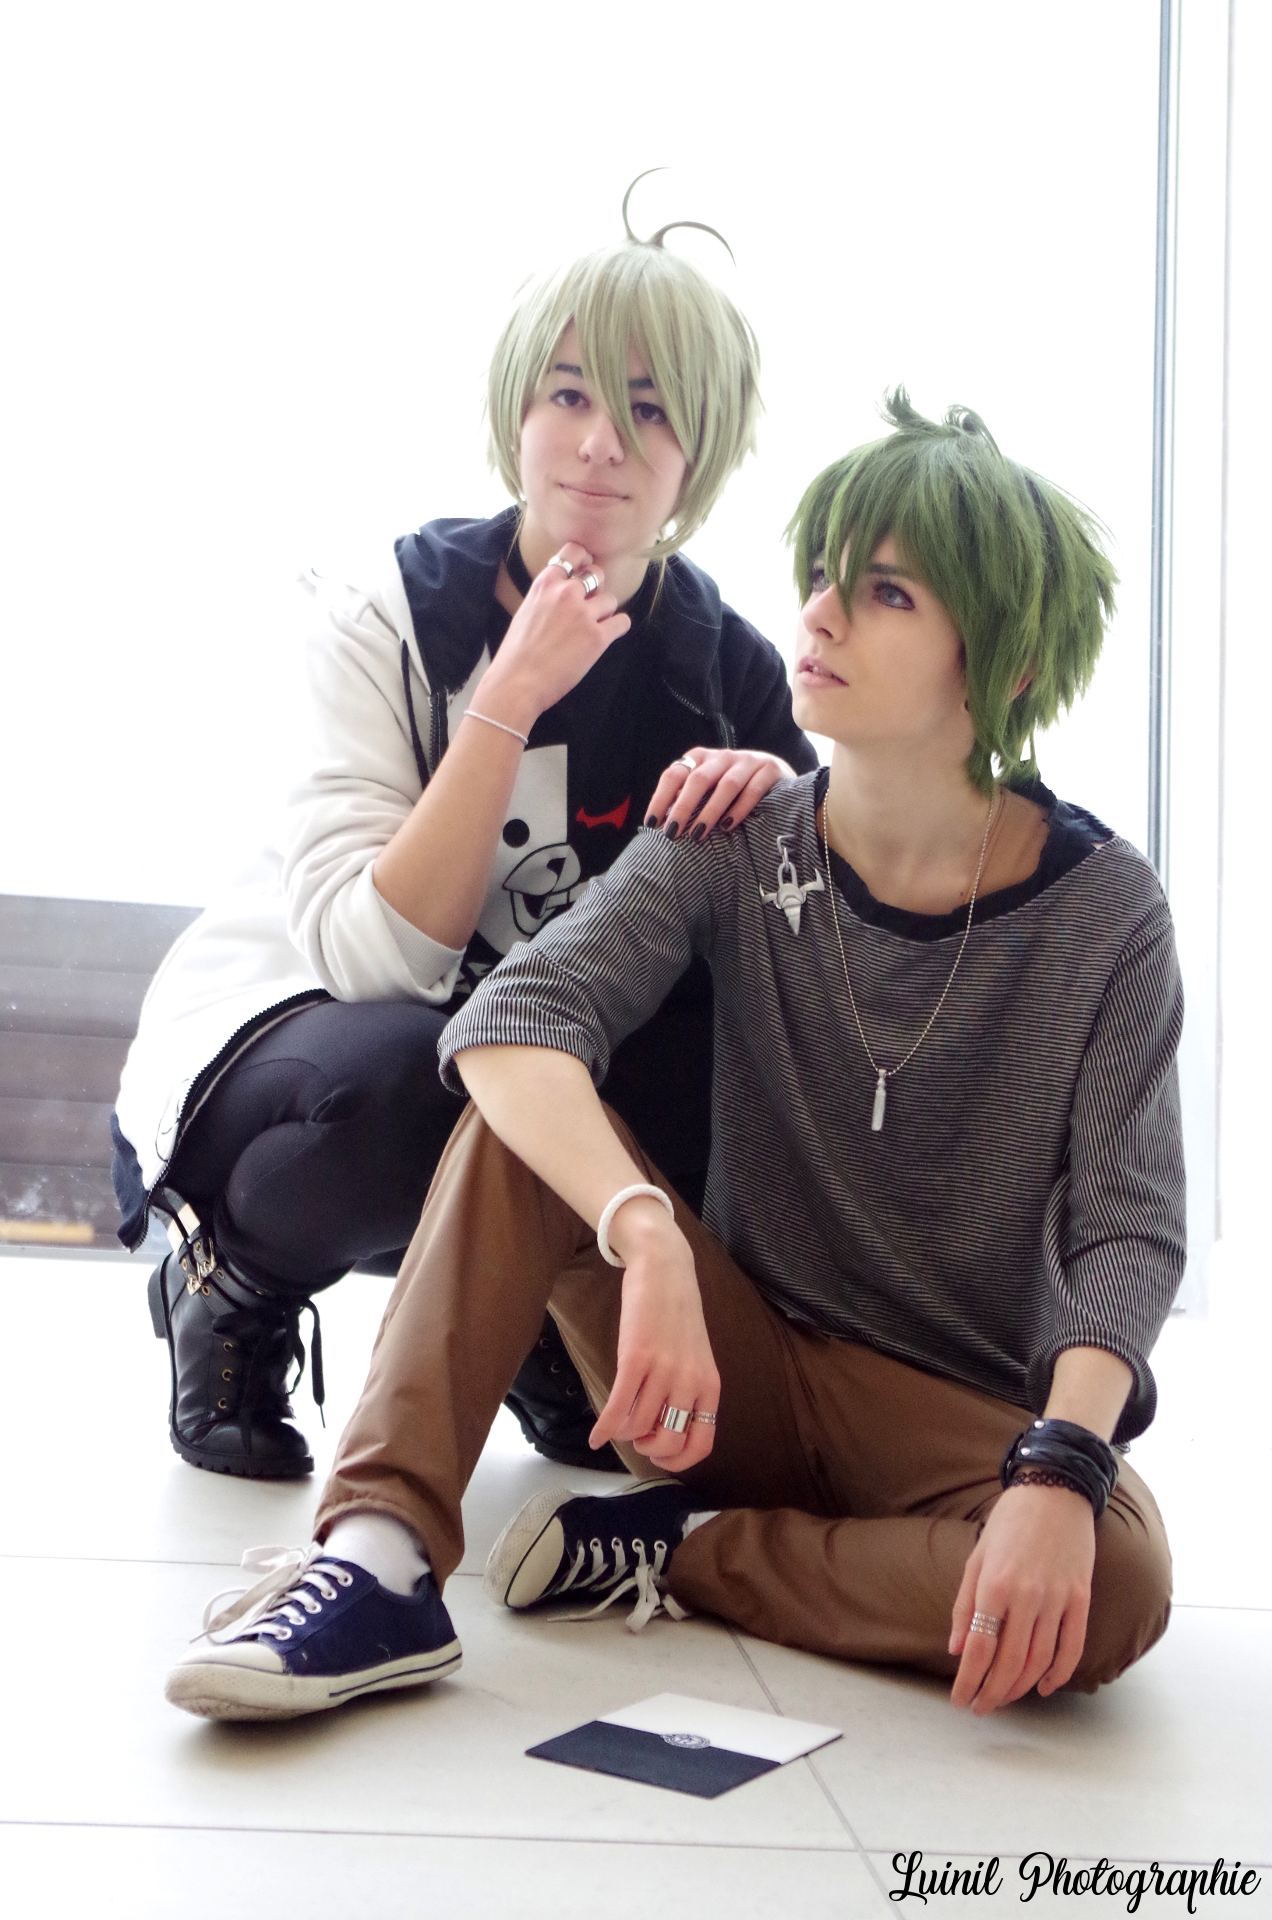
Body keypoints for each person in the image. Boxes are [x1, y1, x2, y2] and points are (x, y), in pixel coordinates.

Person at [164, 394, 1183, 1723]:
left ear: (1008, 664)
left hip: (947, 1414)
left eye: (884, 593)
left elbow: (1129, 1228)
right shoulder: (735, 833)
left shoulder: (1106, 911)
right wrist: (642, 1230)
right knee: (519, 1123)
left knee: (1117, 1580)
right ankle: (378, 1560)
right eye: (821, 575)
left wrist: (1057, 1471)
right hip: (725, 1371)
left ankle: (685, 1553)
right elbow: (510, 1021)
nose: (819, 615)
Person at [112, 196, 816, 1480]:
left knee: (684, 1073)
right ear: (516, 410)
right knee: (423, 1080)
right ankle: (228, 1285)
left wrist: (786, 806)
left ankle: (542, 1302)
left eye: (651, 411)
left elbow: (806, 983)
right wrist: (508, 698)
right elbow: (378, 956)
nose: (601, 444)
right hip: (313, 1043)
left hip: (539, 1077)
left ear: (700, 450)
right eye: (569, 395)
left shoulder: (724, 671)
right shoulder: (392, 615)